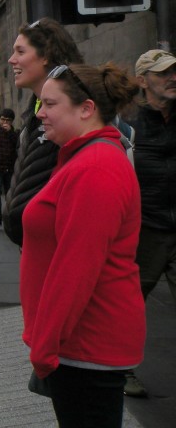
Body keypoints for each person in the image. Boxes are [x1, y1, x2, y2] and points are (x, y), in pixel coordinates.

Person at [21, 63, 144, 427]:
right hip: (77, 345)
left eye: (49, 104)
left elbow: (76, 269)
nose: (39, 114)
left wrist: (45, 347)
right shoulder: (85, 158)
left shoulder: (96, 167)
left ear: (86, 109)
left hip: (86, 345)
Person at [122, 49, 176, 398]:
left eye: (174, 72)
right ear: (143, 81)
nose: (172, 79)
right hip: (146, 229)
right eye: (163, 74)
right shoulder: (128, 124)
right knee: (128, 304)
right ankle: (123, 368)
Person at [2, 18, 83, 247]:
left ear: (46, 55)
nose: (11, 59)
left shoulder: (71, 110)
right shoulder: (34, 109)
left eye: (20, 51)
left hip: (57, 245)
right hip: (34, 244)